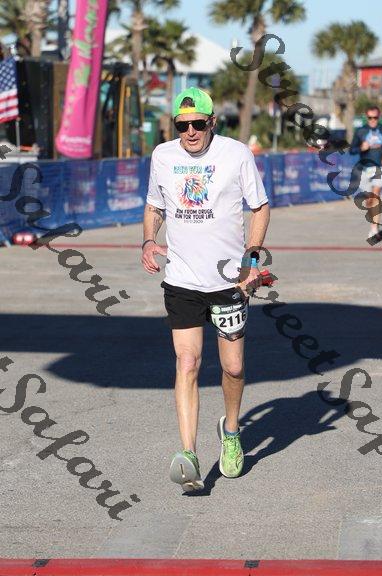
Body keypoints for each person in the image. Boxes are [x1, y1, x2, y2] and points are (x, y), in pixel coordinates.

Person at [141, 87, 270, 492]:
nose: (191, 132)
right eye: (183, 126)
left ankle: (230, 431)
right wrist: (149, 240)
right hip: (181, 280)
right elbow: (154, 205)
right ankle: (189, 455)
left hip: (228, 281)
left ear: (212, 121)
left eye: (198, 123)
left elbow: (260, 207)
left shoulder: (236, 155)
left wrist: (251, 262)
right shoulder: (163, 156)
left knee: (233, 367)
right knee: (187, 363)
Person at [350, 105, 382, 238]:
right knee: (369, 200)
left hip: (381, 168)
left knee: (375, 195)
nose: (373, 120)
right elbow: (352, 150)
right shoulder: (360, 131)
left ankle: (374, 229)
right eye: (370, 117)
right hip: (365, 169)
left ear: (379, 116)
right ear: (366, 117)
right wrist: (361, 148)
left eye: (375, 117)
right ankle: (373, 223)